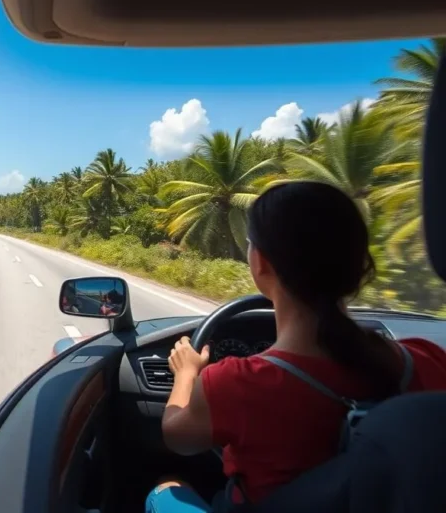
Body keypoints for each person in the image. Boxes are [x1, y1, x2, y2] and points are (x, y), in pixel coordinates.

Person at [145, 181, 446, 513]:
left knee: (166, 489)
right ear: (359, 263)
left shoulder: (234, 382)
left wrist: (187, 374)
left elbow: (177, 437)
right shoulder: (426, 360)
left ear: (260, 262)